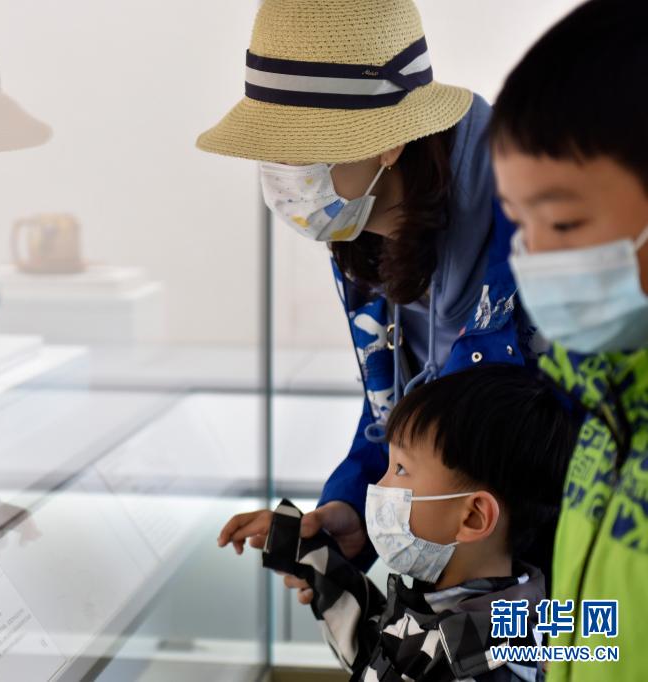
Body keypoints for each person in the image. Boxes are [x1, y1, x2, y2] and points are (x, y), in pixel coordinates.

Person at [199, 0, 537, 571]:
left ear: (390, 141)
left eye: (299, 145)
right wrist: (353, 511)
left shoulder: (541, 218)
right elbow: (397, 405)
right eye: (268, 148)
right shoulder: (362, 234)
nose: (280, 173)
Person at [222, 366, 578, 681]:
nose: (379, 486)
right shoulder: (442, 607)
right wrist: (295, 541)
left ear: (473, 517)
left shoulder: (489, 661)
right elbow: (374, 649)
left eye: (401, 469)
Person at [489, 1, 648, 678]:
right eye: (518, 224)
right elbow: (598, 631)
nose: (534, 258)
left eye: (561, 224)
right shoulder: (608, 413)